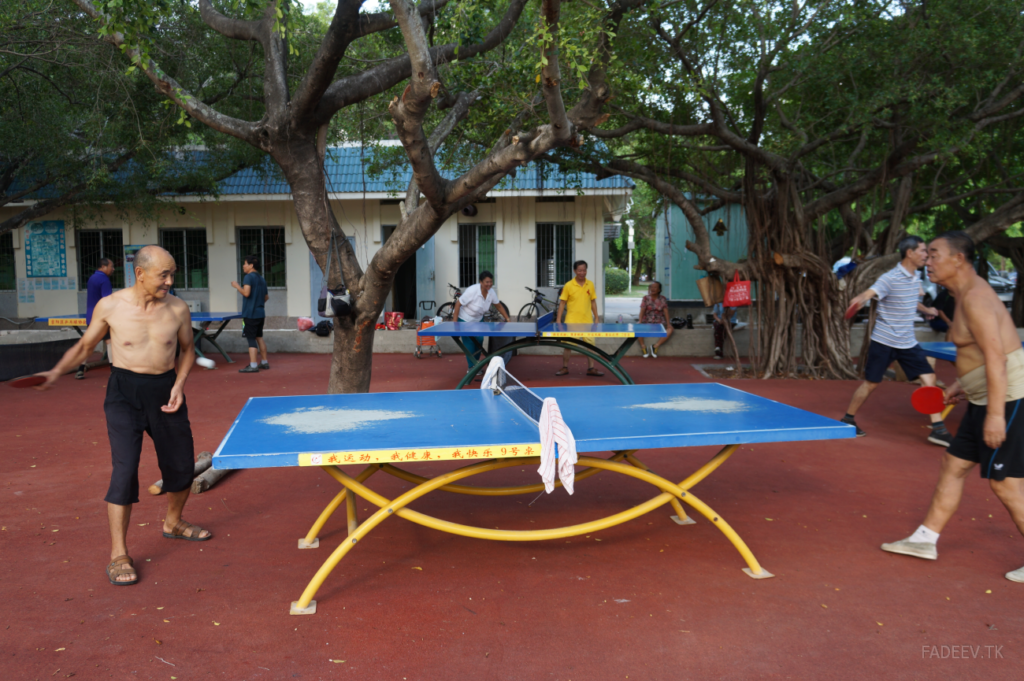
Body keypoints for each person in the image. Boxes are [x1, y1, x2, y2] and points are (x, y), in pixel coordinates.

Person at [35, 245, 209, 586]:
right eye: (164, 275)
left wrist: (180, 383)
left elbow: (188, 350)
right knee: (125, 469)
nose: (170, 282)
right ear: (140, 274)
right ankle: (118, 553)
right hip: (123, 393)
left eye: (173, 274)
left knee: (181, 465)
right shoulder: (111, 306)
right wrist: (55, 372)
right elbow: (85, 347)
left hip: (165, 390)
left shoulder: (177, 308)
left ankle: (173, 522)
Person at [881, 232, 1024, 584]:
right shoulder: (964, 295)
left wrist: (993, 415)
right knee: (954, 464)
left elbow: (997, 359)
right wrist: (964, 383)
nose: (927, 261)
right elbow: (990, 349)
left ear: (958, 258)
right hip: (985, 396)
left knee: (1005, 484)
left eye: (933, 255)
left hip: (1005, 399)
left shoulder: (975, 298)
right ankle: (924, 540)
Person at [840, 236, 950, 446]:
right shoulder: (889, 278)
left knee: (929, 379)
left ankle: (938, 429)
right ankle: (848, 418)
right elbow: (871, 292)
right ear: (910, 253)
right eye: (923, 251)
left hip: (907, 342)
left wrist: (927, 309)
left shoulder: (915, 277)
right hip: (884, 341)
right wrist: (859, 299)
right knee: (871, 383)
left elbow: (909, 300)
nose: (926, 255)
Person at [452, 270, 510, 371]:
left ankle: (476, 364)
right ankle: (471, 367)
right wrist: (455, 324)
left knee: (479, 341)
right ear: (481, 282)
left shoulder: (491, 292)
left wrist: (507, 318)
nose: (489, 284)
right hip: (465, 319)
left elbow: (498, 306)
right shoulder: (472, 291)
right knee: (469, 343)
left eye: (491, 282)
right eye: (487, 282)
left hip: (478, 319)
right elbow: (458, 304)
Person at [555, 260, 603, 377]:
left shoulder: (590, 284)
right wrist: (558, 320)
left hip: (587, 321)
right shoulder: (568, 285)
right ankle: (565, 367)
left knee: (590, 346)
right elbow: (562, 303)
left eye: (584, 270)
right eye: (580, 270)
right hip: (571, 322)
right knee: (568, 346)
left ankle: (591, 368)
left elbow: (593, 301)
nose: (582, 272)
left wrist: (596, 317)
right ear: (575, 271)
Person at [77, 258, 115, 379]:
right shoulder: (104, 280)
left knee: (90, 344)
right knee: (109, 341)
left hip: (91, 316)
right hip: (102, 316)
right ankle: (113, 369)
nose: (113, 269)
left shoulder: (92, 278)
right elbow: (107, 301)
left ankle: (80, 369)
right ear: (103, 267)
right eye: (111, 266)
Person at [231, 255, 270, 373]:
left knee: (251, 338)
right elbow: (266, 297)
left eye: (245, 264)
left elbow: (246, 293)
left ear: (251, 265)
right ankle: (264, 362)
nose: (243, 266)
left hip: (250, 314)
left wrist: (237, 286)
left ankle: (253, 365)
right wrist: (257, 302)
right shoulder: (262, 279)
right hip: (260, 313)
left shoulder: (248, 277)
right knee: (259, 337)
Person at [637, 280, 672, 358]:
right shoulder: (645, 298)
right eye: (651, 287)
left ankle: (655, 346)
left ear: (659, 290)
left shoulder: (662, 299)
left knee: (670, 329)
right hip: (647, 321)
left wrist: (668, 324)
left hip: (659, 322)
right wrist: (640, 321)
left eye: (655, 287)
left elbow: (666, 312)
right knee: (637, 328)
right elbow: (642, 310)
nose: (652, 289)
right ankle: (643, 347)